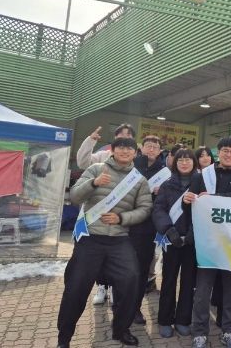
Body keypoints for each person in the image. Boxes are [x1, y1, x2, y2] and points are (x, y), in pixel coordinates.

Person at [57, 137, 152, 348]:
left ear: (135, 153)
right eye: (121, 147)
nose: (125, 151)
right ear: (113, 150)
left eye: (129, 148)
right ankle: (64, 337)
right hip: (91, 238)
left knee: (131, 279)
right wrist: (93, 183)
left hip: (119, 239)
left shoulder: (139, 180)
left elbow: (145, 209)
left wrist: (122, 218)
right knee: (76, 287)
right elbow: (75, 196)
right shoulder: (96, 169)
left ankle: (121, 329)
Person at [189, 137, 231, 348]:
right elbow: (192, 203)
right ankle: (199, 332)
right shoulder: (203, 175)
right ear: (218, 153)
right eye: (225, 150)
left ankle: (230, 331)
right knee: (202, 291)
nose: (228, 154)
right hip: (206, 242)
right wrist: (187, 199)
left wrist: (213, 196)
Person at [80, 123, 135, 305]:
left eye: (128, 135)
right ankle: (102, 286)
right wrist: (90, 141)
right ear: (115, 139)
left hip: (122, 218)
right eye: (120, 135)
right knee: (100, 257)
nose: (124, 138)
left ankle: (113, 287)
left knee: (117, 257)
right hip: (99, 215)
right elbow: (82, 163)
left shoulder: (135, 159)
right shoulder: (103, 156)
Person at [152, 148, 199, 338]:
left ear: (194, 163)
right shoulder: (167, 185)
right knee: (168, 280)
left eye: (188, 159)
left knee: (188, 282)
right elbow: (158, 210)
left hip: (192, 241)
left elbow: (205, 212)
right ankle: (165, 320)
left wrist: (192, 234)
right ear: (175, 163)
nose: (184, 163)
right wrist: (169, 230)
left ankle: (183, 320)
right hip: (171, 241)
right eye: (181, 160)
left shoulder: (201, 185)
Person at [127, 135, 166, 325]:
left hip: (148, 228)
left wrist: (161, 192)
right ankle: (120, 305)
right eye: (148, 146)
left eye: (155, 147)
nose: (151, 149)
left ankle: (135, 308)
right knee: (124, 268)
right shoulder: (131, 166)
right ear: (141, 148)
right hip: (126, 225)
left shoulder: (165, 172)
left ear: (160, 151)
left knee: (142, 269)